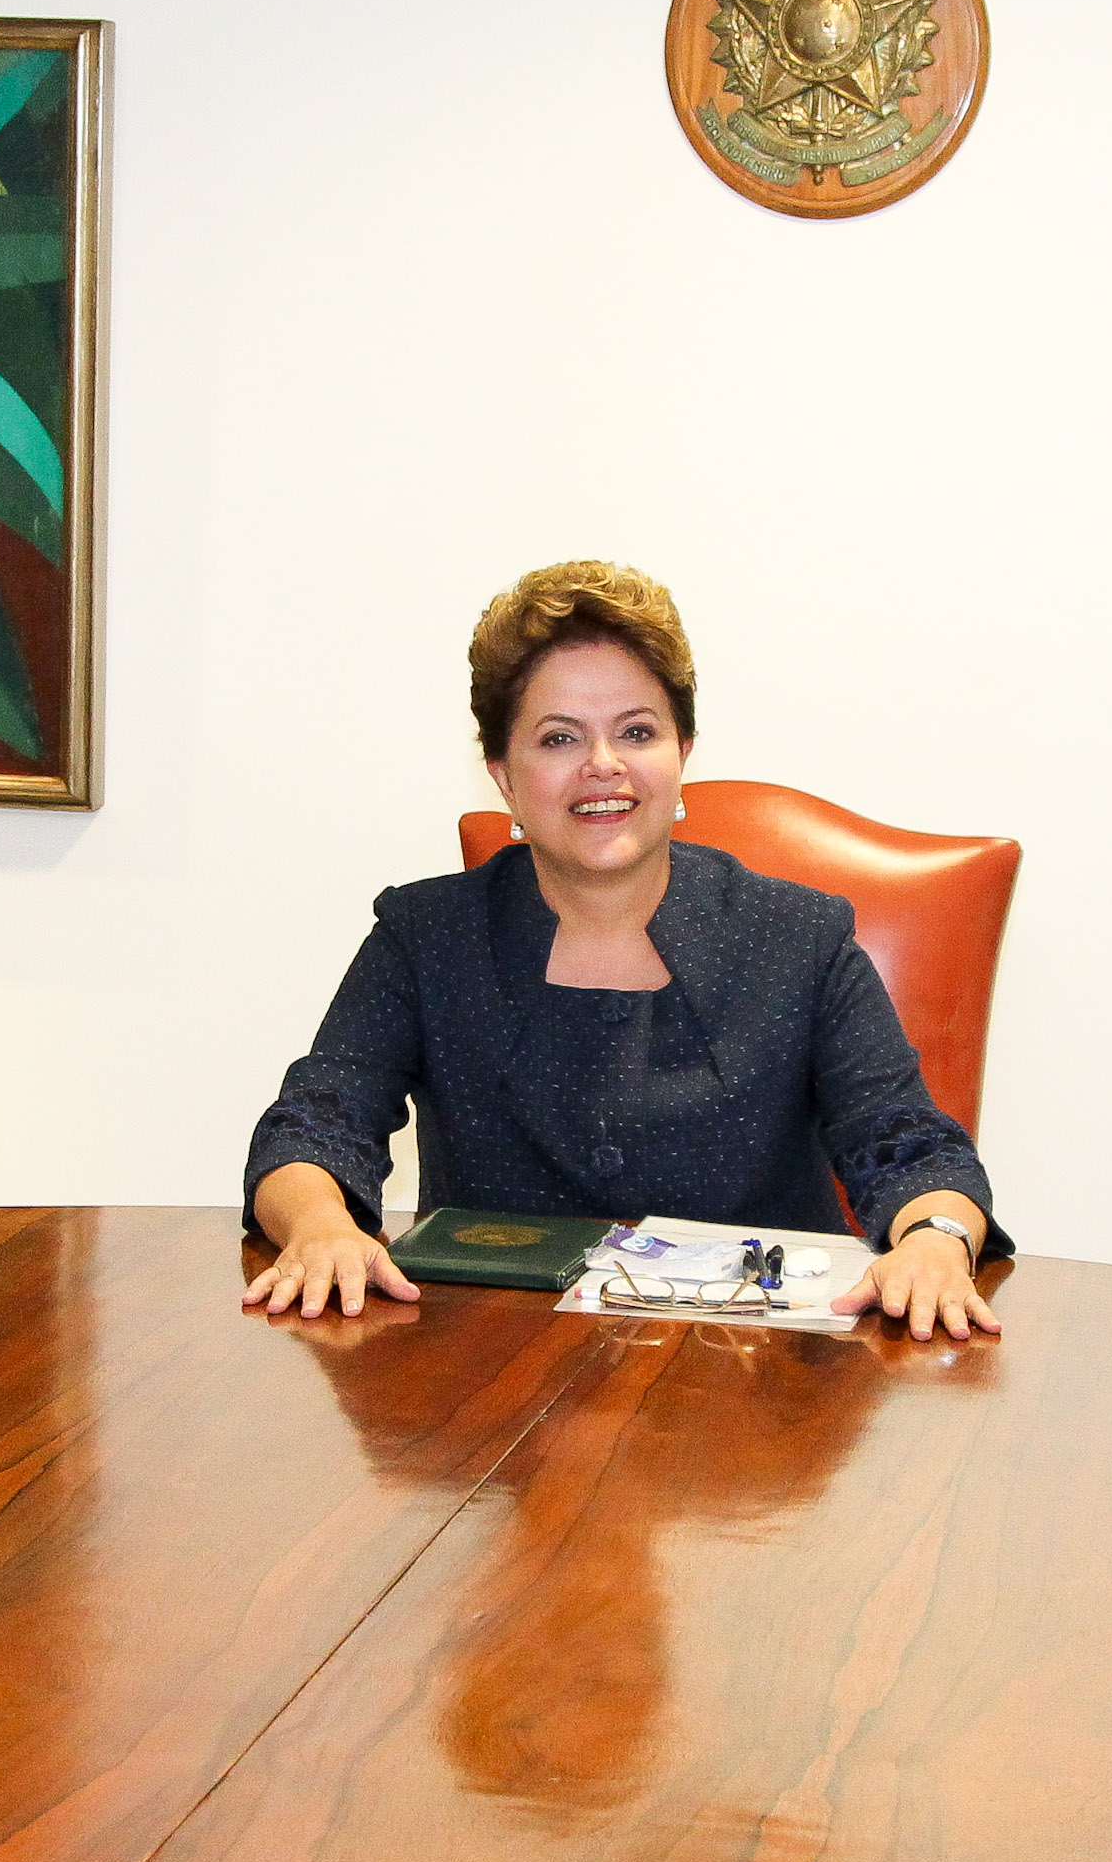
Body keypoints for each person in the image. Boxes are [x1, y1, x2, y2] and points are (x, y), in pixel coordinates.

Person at [243, 561, 1005, 1337]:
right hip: (489, 1379)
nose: (602, 765)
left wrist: (936, 1241)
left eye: (636, 732)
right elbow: (313, 1125)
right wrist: (320, 1226)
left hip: (760, 1390)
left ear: (683, 753)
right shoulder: (427, 935)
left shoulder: (798, 939)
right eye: (559, 737)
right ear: (504, 776)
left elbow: (908, 1144)